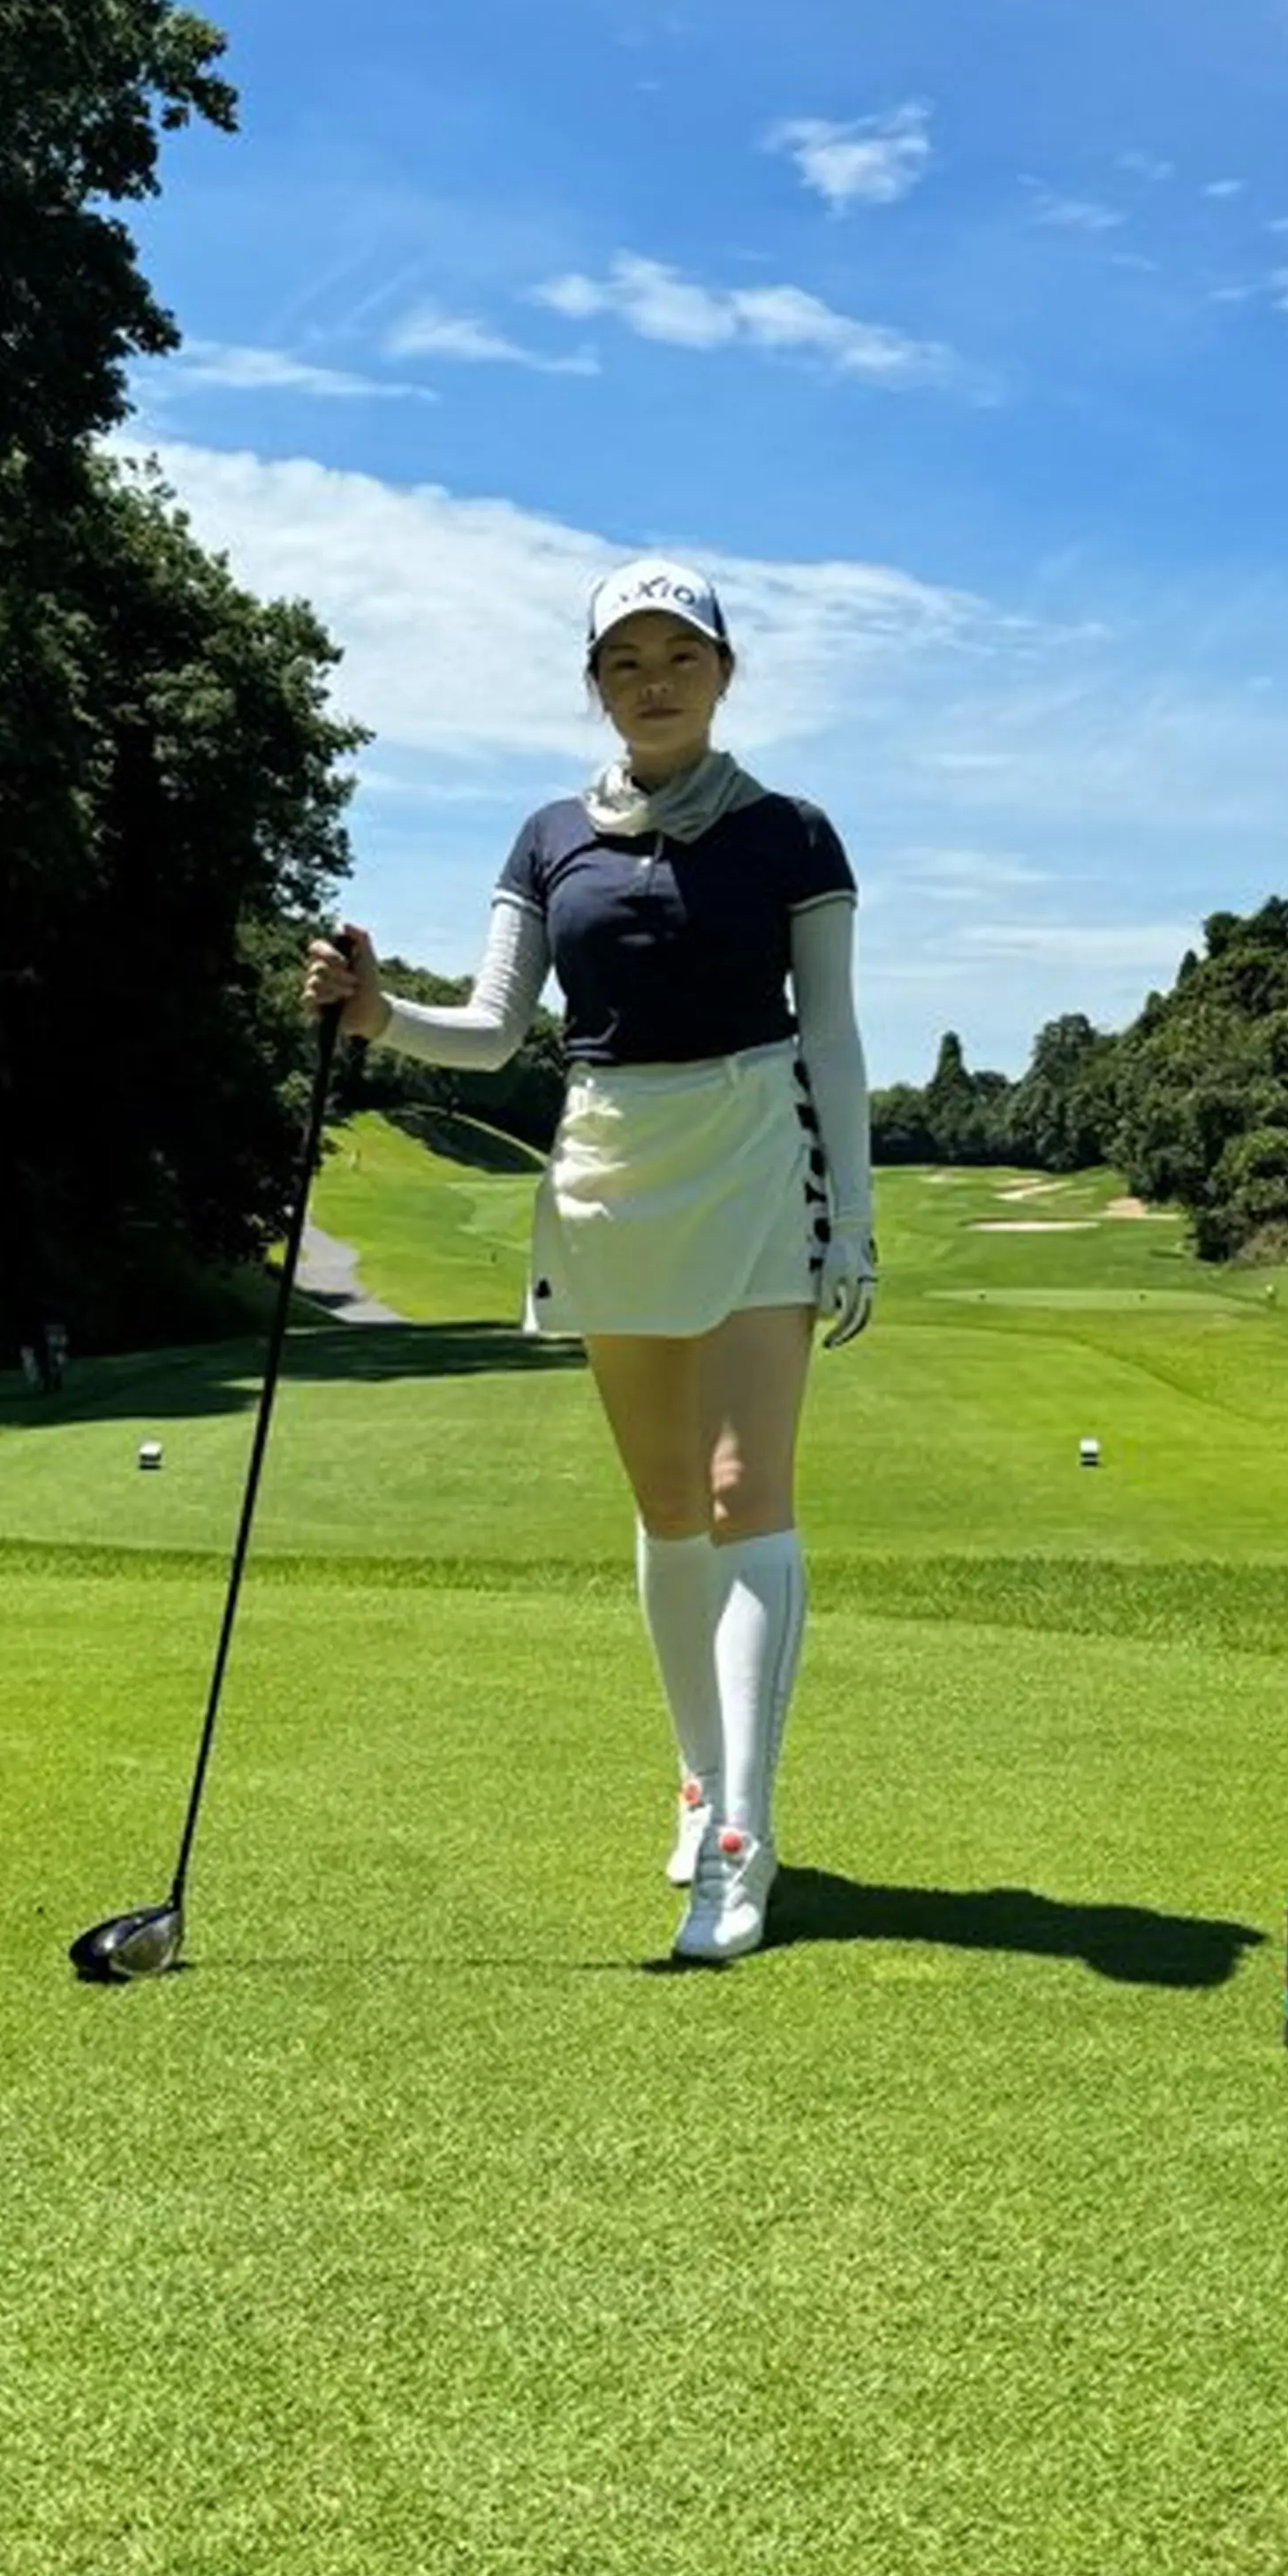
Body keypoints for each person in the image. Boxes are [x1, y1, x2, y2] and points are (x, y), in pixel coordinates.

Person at [304, 559, 874, 1964]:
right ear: (596, 685)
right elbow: (497, 1029)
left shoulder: (792, 834)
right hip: (611, 1155)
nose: (655, 679)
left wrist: (851, 1216)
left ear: (726, 672)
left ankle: (743, 1831)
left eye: (681, 653)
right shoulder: (549, 836)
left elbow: (835, 1038)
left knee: (747, 1489)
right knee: (671, 1502)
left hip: (752, 1144)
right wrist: (379, 1015)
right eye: (626, 660)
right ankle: (697, 1777)